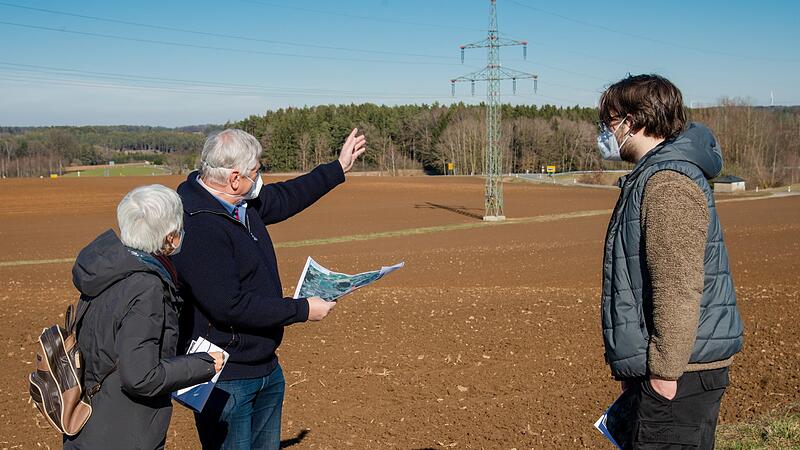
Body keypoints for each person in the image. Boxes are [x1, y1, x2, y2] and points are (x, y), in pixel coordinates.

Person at [172, 128, 366, 449]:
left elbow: (287, 196)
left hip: (265, 367)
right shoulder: (199, 224)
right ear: (235, 178)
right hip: (226, 378)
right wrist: (302, 309)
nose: (260, 178)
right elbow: (230, 306)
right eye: (256, 172)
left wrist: (338, 168)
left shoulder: (241, 203)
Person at [596, 74, 744, 449]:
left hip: (681, 373)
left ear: (633, 121)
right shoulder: (653, 177)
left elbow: (677, 284)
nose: (607, 132)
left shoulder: (668, 184)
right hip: (673, 367)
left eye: (610, 121)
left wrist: (663, 372)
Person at [64, 185, 224, 450]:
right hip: (122, 432)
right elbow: (140, 376)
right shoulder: (146, 287)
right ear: (169, 238)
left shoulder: (107, 268)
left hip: (88, 419)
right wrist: (203, 364)